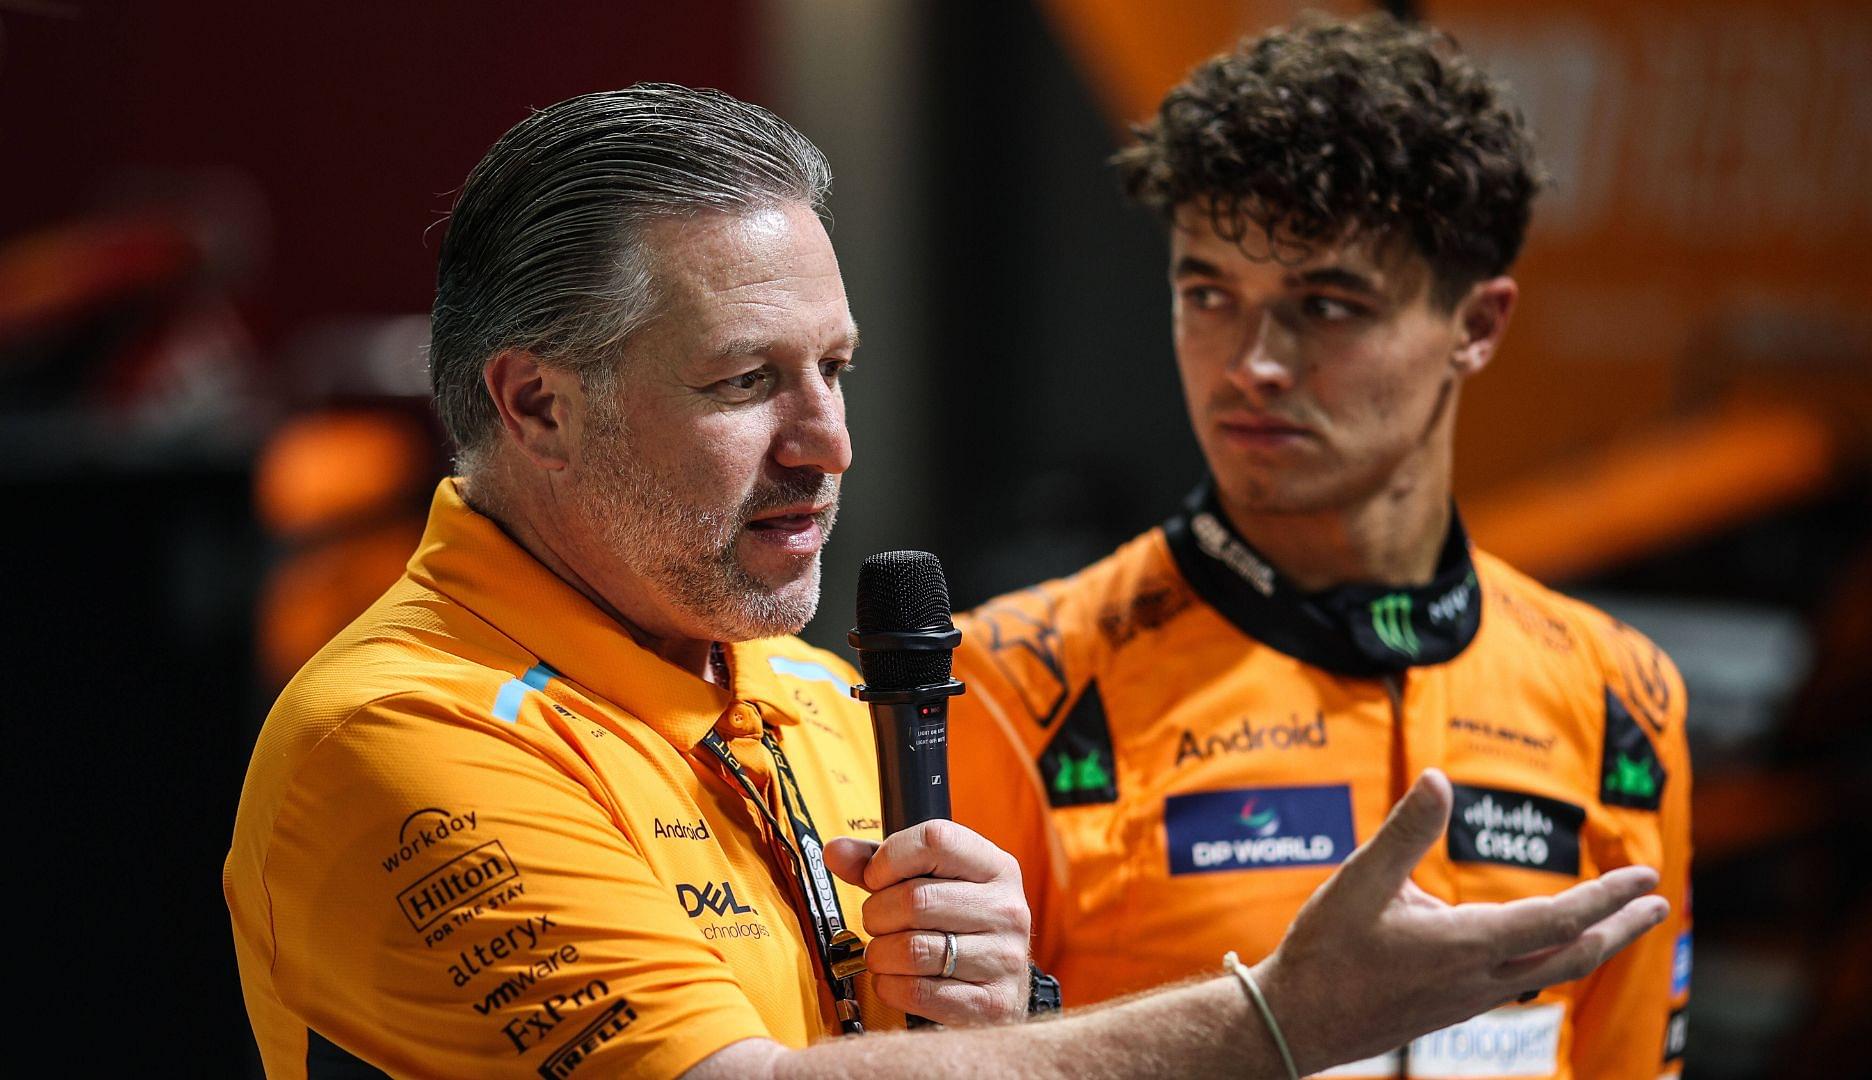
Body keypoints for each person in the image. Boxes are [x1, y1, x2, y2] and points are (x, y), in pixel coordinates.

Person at [225, 82, 1668, 1079]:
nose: (830, 444)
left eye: (837, 371)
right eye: (745, 383)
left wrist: (989, 1016)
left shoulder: (816, 696)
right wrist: (1278, 1024)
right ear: (535, 405)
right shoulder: (406, 733)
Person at [947, 16, 1693, 1080]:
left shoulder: (1623, 698)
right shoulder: (1014, 682)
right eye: (1209, 294)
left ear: (1478, 325)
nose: (1253, 363)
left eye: (1327, 305)